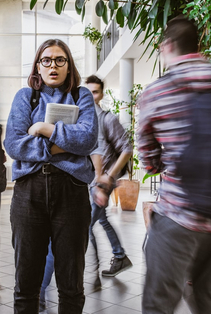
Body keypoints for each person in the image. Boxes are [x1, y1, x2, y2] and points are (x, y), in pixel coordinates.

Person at [4, 39, 98, 313]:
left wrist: (45, 128)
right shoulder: (25, 96)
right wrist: (62, 147)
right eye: (46, 60)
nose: (53, 65)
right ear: (37, 65)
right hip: (28, 193)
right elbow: (13, 144)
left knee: (71, 285)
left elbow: (88, 139)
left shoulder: (82, 96)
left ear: (69, 66)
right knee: (26, 285)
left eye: (60, 60)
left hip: (71, 192)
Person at [138, 16, 211, 314]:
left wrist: (159, 164)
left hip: (178, 215)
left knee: (159, 302)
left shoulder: (157, 92)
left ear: (167, 45)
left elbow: (148, 157)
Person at [86, 75, 133, 279]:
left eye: (95, 92)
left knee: (85, 225)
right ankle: (120, 256)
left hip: (103, 183)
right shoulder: (84, 119)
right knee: (102, 220)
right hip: (90, 182)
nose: (91, 96)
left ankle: (93, 271)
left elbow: (127, 149)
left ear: (101, 94)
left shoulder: (107, 118)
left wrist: (108, 177)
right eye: (87, 92)